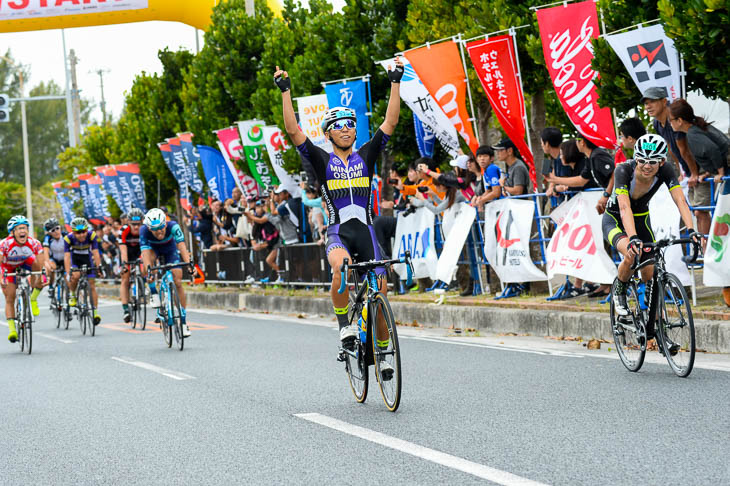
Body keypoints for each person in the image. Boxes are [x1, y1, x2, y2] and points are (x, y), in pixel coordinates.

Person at [275, 57, 402, 364]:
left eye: (350, 125)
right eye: (338, 127)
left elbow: (391, 123)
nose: (346, 130)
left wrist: (396, 82)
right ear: (329, 134)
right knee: (341, 267)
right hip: (338, 232)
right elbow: (293, 131)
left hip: (367, 232)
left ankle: (383, 352)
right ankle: (345, 326)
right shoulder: (321, 159)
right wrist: (285, 91)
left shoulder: (367, 154)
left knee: (381, 292)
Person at [602, 134, 701, 352]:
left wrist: (692, 230)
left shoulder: (666, 171)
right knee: (631, 251)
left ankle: (656, 328)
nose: (647, 166)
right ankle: (619, 289)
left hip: (641, 218)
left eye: (652, 162)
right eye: (642, 160)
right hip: (616, 219)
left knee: (650, 273)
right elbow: (625, 208)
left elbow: (680, 201)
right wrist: (633, 238)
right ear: (635, 159)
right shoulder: (623, 170)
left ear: (662, 162)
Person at [669, 98, 730, 239]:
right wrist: (708, 173)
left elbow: (713, 150)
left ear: (679, 121)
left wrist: (720, 173)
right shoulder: (696, 129)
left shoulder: (692, 134)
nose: (670, 123)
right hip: (725, 165)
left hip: (727, 169)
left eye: (671, 120)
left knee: (724, 207)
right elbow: (711, 152)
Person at [140, 208, 193, 337]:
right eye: (155, 229)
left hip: (170, 250)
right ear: (149, 228)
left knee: (178, 280)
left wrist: (189, 265)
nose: (159, 231)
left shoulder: (173, 226)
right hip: (153, 250)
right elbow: (145, 253)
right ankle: (154, 293)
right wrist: (149, 271)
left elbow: (181, 245)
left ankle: (183, 321)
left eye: (162, 227)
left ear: (165, 222)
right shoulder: (144, 231)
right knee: (147, 269)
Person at [0, 216, 44, 342]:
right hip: (7, 267)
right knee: (10, 296)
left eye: (24, 228)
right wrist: (1, 278)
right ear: (12, 232)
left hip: (24, 262)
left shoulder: (34, 243)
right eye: (19, 229)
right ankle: (13, 330)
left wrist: (42, 278)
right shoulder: (4, 244)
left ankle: (32, 298)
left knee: (38, 268)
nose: (22, 231)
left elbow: (42, 263)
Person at [64, 217, 103, 325]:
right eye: (78, 232)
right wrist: (68, 273)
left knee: (92, 285)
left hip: (87, 259)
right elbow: (67, 257)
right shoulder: (68, 239)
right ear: (73, 232)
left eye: (83, 232)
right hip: (75, 259)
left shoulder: (92, 235)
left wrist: (99, 267)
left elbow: (95, 252)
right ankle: (72, 293)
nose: (81, 235)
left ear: (87, 230)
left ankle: (95, 312)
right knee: (75, 276)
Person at [119, 208, 144, 323]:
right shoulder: (123, 230)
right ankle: (126, 310)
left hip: (140, 251)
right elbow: (123, 250)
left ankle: (143, 284)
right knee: (125, 278)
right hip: (127, 253)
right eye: (133, 224)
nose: (136, 227)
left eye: (138, 224)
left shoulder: (145, 230)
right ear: (128, 222)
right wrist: (125, 264)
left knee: (145, 267)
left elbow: (146, 249)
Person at [249, 199, 281, 282]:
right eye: (256, 208)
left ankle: (282, 277)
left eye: (259, 207)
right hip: (271, 244)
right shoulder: (260, 221)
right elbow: (255, 233)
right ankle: (272, 277)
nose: (257, 210)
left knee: (270, 260)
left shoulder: (268, 217)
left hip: (278, 243)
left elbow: (273, 236)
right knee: (270, 261)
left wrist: (249, 215)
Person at [42, 217, 66, 295]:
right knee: (51, 267)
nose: (56, 232)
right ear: (49, 233)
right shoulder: (48, 238)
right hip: (54, 259)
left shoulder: (66, 236)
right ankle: (51, 286)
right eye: (53, 230)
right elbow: (46, 252)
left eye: (57, 228)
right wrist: (47, 263)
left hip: (65, 259)